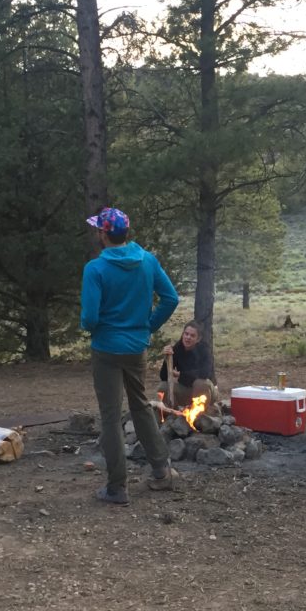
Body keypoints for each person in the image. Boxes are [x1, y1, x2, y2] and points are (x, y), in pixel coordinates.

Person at [80, 207, 180, 505]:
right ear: (126, 232)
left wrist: (98, 326)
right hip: (136, 348)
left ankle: (116, 487)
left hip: (106, 350)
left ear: (102, 234)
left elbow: (89, 318)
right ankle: (162, 471)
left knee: (111, 416)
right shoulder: (147, 261)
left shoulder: (95, 269)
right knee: (141, 406)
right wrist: (147, 326)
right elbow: (171, 298)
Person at [158, 321, 217, 410]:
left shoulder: (204, 349)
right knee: (163, 387)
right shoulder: (177, 349)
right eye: (186, 334)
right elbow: (164, 377)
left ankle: (201, 414)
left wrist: (180, 374)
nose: (188, 337)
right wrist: (166, 360)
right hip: (186, 390)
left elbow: (205, 373)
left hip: (206, 390)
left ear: (198, 339)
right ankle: (174, 413)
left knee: (200, 383)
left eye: (192, 336)